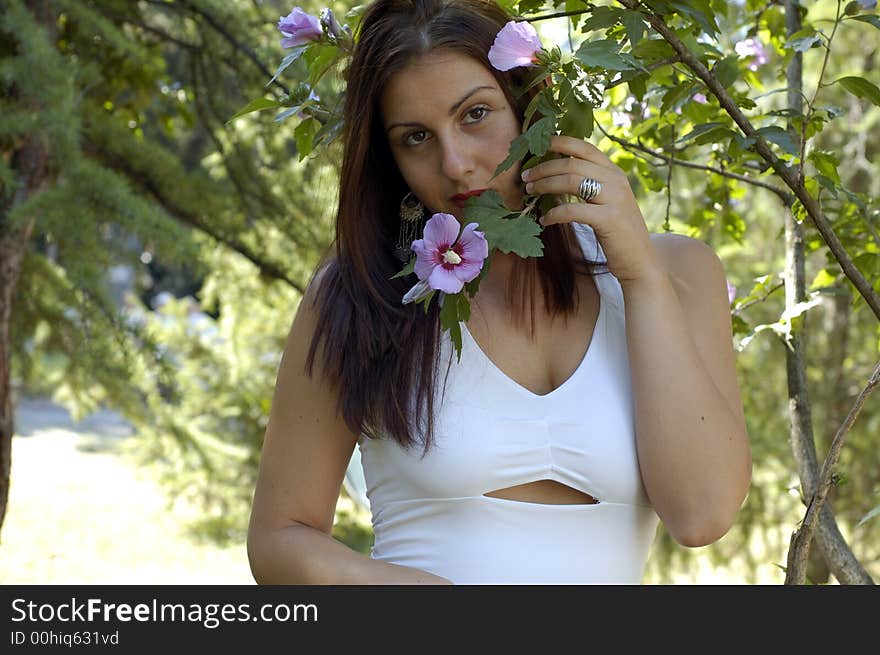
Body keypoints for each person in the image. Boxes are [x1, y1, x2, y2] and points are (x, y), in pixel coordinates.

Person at [247, 0, 752, 584]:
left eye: (476, 114)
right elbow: (279, 539)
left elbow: (702, 515)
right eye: (416, 138)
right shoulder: (364, 290)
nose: (457, 164)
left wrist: (639, 276)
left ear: (530, 104)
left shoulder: (676, 272)